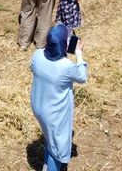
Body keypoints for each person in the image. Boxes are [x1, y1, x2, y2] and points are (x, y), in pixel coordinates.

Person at [30, 25, 88, 171]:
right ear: (63, 44)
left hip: (38, 106)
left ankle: (47, 164)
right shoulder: (66, 66)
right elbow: (82, 77)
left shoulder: (37, 55)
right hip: (54, 113)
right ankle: (51, 167)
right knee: (59, 147)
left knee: (51, 138)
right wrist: (79, 53)